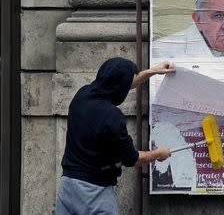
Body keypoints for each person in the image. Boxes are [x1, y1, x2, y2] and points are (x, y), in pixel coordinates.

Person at [56, 57, 175, 215]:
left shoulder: (82, 95)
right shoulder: (112, 117)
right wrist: (158, 154)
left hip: (68, 187)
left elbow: (122, 84)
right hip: (95, 192)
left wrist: (153, 71)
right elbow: (132, 158)